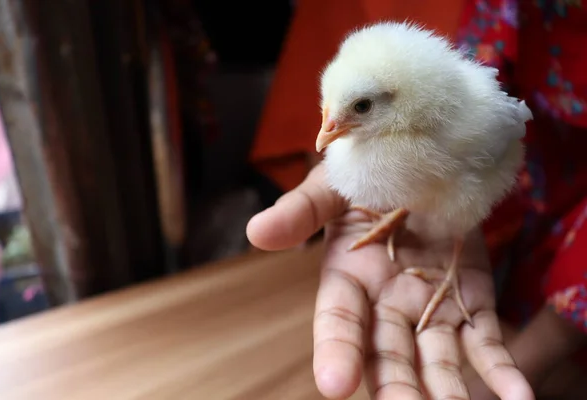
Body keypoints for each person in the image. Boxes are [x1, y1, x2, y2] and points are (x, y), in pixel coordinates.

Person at [247, 1, 587, 399]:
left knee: (464, 216)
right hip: (520, 46)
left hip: (556, 146)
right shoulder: (382, 122)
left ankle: (456, 274)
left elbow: (502, 127)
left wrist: (453, 258)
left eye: (359, 108)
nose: (327, 132)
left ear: (398, 101)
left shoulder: (453, 132)